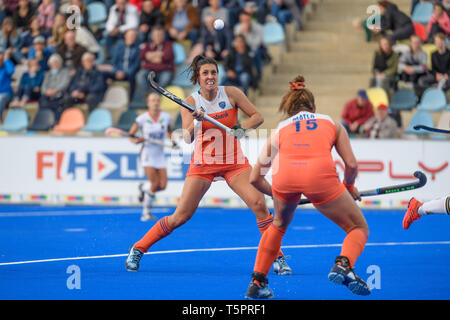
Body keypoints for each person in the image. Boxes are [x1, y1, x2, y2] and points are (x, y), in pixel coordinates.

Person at [125, 55, 292, 275]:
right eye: (205, 73)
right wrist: (198, 121)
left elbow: (257, 117)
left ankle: (277, 258)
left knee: (259, 205)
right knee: (180, 217)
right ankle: (138, 248)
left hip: (234, 162)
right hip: (204, 163)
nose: (210, 76)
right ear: (198, 77)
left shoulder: (231, 93)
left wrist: (240, 130)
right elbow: (186, 137)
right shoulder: (191, 103)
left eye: (213, 72)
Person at [244, 75, 371, 299]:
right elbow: (351, 164)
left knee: (278, 225)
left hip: (284, 178)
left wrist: (278, 194)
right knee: (358, 227)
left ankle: (257, 282)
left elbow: (255, 178)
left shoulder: (280, 129)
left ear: (289, 109)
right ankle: (344, 264)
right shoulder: (332, 123)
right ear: (314, 107)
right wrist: (349, 186)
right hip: (320, 176)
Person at [129, 93, 174, 221]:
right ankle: (146, 212)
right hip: (147, 154)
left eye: (157, 100)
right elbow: (131, 136)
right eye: (152, 100)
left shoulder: (166, 117)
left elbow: (169, 131)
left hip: (159, 154)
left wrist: (174, 142)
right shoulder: (142, 118)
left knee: (163, 185)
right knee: (155, 183)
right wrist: (137, 141)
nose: (155, 102)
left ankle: (143, 188)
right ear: (148, 103)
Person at [136, 25, 174, 97]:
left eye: (160, 35)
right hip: (150, 71)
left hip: (164, 71)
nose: (158, 37)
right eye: (156, 35)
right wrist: (159, 55)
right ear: (152, 36)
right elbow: (142, 55)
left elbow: (166, 56)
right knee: (140, 75)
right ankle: (147, 96)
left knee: (165, 78)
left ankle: (155, 96)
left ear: (163, 36)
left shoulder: (168, 44)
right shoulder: (148, 45)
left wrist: (150, 56)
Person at [39, 53, 71, 121]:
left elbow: (65, 83)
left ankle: (56, 121)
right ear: (50, 65)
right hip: (48, 95)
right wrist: (47, 91)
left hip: (59, 94)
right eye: (53, 63)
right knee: (42, 101)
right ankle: (44, 120)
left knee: (61, 102)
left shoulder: (65, 72)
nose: (55, 64)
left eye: (56, 62)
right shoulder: (47, 74)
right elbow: (43, 86)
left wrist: (55, 90)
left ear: (60, 63)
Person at [0, 47, 15, 122]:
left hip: (6, 94)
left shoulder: (7, 65)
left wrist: (6, 60)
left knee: (0, 98)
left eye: (1, 54)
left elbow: (10, 71)